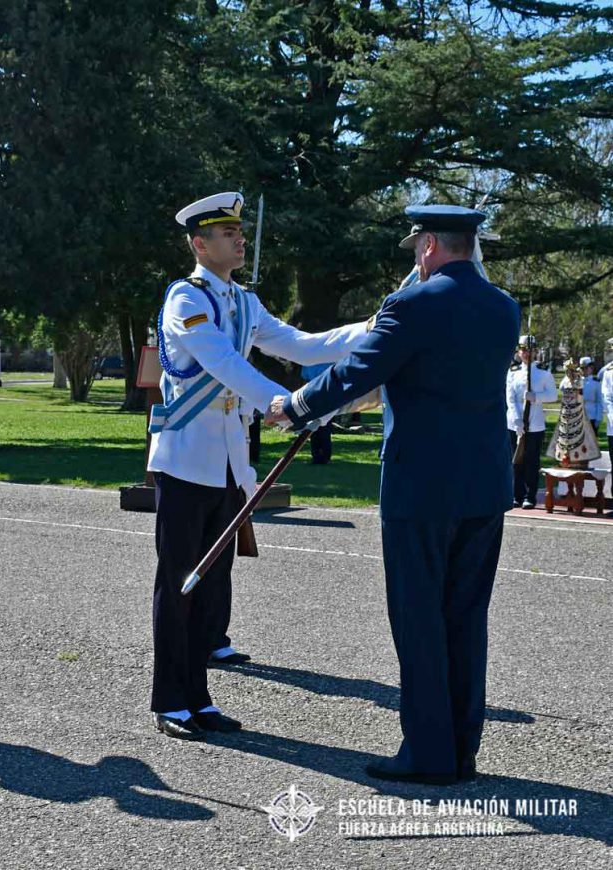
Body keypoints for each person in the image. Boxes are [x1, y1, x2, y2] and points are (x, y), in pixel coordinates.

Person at [266, 205, 520, 784]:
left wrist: (296, 406)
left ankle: (427, 755)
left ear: (429, 244)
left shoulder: (412, 304)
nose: (415, 258)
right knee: (465, 617)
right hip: (483, 484)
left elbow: (357, 371)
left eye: (415, 249)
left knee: (418, 617)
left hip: (421, 484)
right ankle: (461, 748)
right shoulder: (505, 307)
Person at [148, 191, 371, 739]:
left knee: (212, 583)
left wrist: (375, 326)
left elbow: (305, 346)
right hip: (185, 462)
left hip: (228, 464)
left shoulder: (245, 302)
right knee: (178, 583)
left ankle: (199, 698)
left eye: (239, 232)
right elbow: (222, 364)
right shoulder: (186, 299)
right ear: (200, 244)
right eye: (228, 234)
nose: (239, 238)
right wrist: (280, 403)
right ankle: (170, 700)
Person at [506, 336, 557, 508]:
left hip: (535, 424)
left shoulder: (543, 372)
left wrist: (536, 397)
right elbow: (510, 398)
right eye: (523, 350)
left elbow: (553, 395)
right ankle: (516, 494)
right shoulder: (512, 372)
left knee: (531, 462)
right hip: (515, 423)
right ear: (518, 352)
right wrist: (517, 420)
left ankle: (530, 496)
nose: (527, 353)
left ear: (535, 351)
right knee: (515, 461)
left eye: (530, 350)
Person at [577, 356, 602, 434]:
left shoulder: (596, 383)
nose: (584, 370)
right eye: (582, 368)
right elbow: (562, 387)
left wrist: (598, 418)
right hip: (577, 417)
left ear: (591, 368)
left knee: (591, 444)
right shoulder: (576, 381)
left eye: (586, 368)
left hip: (591, 416)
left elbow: (599, 401)